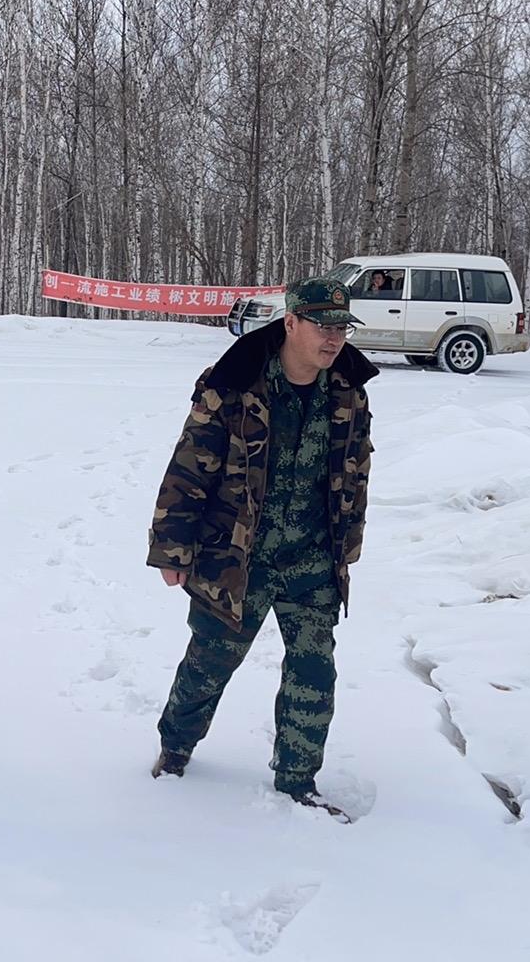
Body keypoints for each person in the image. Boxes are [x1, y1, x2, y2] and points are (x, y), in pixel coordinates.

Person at [147, 277, 377, 818]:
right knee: (210, 660)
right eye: (323, 326)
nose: (334, 338)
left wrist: (349, 541)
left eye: (342, 328)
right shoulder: (234, 383)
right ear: (290, 322)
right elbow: (189, 466)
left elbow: (357, 468)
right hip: (238, 556)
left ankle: (298, 779)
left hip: (312, 557)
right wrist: (173, 549)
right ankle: (175, 747)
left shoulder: (348, 388)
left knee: (314, 671)